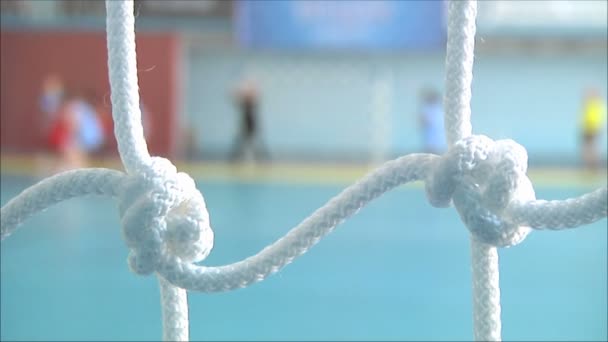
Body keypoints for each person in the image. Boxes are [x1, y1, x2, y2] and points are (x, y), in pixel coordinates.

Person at [229, 78, 269, 162]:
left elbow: (255, 95)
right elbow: (235, 97)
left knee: (256, 142)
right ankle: (234, 158)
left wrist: (249, 88)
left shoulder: (252, 102)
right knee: (241, 142)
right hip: (245, 123)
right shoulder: (244, 102)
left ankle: (263, 159)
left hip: (252, 123)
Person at [580, 88, 607, 170]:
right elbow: (584, 117)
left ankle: (594, 166)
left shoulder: (597, 105)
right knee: (587, 148)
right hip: (586, 129)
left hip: (593, 129)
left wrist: (596, 128)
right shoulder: (588, 105)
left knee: (592, 148)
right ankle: (589, 166)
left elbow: (600, 118)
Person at [419, 88, 446, 154]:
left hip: (434, 144)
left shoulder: (429, 109)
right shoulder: (440, 110)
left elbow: (423, 122)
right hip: (437, 144)